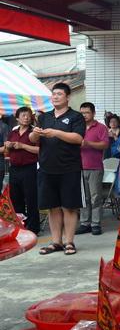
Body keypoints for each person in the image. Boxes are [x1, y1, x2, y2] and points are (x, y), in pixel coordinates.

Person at [30, 83, 85, 255]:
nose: (55, 97)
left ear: (67, 97)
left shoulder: (76, 117)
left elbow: (78, 139)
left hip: (69, 168)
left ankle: (69, 242)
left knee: (69, 206)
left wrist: (56, 133)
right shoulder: (44, 117)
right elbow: (32, 139)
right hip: (46, 168)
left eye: (59, 94)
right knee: (52, 207)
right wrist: (36, 133)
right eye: (53, 94)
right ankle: (56, 242)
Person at [2, 107, 40, 234]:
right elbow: (7, 153)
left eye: (28, 115)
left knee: (31, 198)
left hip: (29, 168)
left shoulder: (34, 132)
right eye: (23, 115)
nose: (26, 117)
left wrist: (22, 146)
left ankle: (34, 227)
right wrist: (8, 146)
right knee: (15, 198)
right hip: (14, 168)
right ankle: (20, 226)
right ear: (17, 118)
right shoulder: (13, 132)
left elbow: (40, 150)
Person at [77, 102, 109, 236]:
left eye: (87, 112)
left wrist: (88, 143)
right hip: (78, 167)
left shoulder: (101, 127)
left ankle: (95, 223)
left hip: (95, 167)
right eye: (82, 113)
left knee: (95, 197)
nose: (84, 115)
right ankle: (85, 223)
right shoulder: (77, 127)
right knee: (84, 198)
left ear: (93, 113)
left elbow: (105, 145)